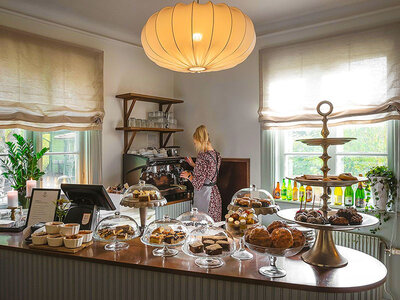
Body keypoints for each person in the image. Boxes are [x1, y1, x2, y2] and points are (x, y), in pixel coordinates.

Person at [180, 125, 222, 221]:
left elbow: (198, 184)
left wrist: (188, 176)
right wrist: (193, 164)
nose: (195, 145)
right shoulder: (216, 154)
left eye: (195, 143)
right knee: (213, 228)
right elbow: (208, 171)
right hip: (214, 196)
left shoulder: (202, 156)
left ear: (200, 141)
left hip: (205, 197)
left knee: (202, 227)